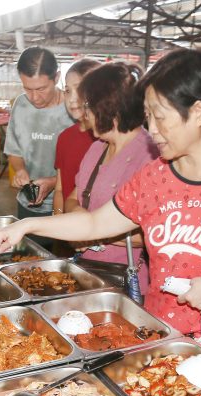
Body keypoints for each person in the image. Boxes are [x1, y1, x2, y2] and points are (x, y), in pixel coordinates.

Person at [0, 48, 201, 358]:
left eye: (159, 117)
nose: (151, 130)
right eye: (148, 116)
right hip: (159, 336)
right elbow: (95, 222)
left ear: (198, 112)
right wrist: (27, 224)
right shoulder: (156, 175)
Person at [66, 62, 159, 291]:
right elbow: (72, 198)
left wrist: (91, 232)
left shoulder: (151, 155)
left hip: (125, 280)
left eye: (87, 105)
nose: (84, 113)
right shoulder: (97, 148)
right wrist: (78, 217)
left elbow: (154, 232)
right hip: (87, 272)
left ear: (108, 107)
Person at [5, 47, 74, 218]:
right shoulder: (20, 105)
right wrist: (20, 170)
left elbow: (88, 165)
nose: (34, 98)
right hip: (28, 203)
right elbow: (14, 150)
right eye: (27, 89)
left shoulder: (73, 110)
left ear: (56, 78)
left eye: (41, 89)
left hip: (68, 205)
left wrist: (53, 182)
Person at [53, 58, 100, 215]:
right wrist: (58, 225)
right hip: (67, 228)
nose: (72, 99)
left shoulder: (106, 139)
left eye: (79, 89)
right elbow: (60, 190)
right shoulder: (65, 137)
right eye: (67, 91)